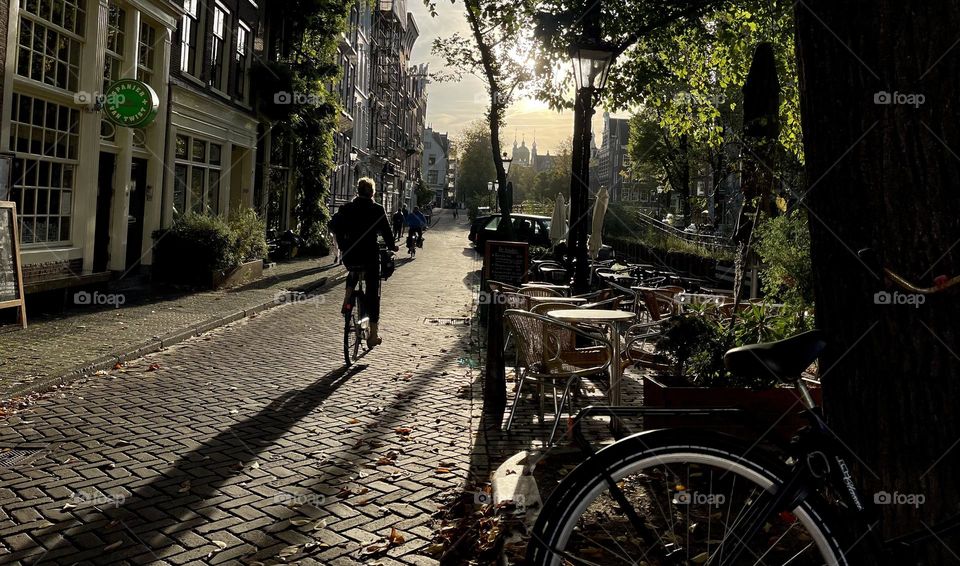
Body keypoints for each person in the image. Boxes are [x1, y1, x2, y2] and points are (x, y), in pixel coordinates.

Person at [330, 177, 398, 348]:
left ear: (357, 191)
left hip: (350, 255)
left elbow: (333, 225)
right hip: (370, 256)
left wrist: (343, 243)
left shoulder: (346, 208)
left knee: (353, 270)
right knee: (373, 291)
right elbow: (388, 234)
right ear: (373, 193)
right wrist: (393, 247)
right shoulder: (377, 210)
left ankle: (347, 299)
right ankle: (373, 336)